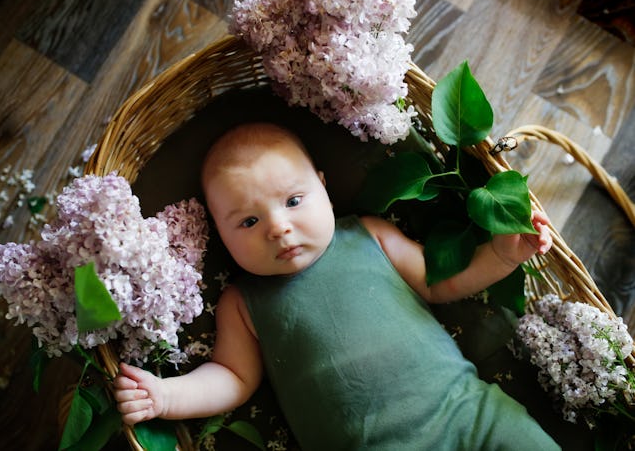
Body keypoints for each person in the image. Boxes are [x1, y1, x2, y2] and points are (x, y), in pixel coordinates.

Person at [113, 122, 558, 450]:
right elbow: (232, 378)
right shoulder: (243, 303)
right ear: (219, 232)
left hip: (471, 418)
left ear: (323, 188)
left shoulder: (369, 235)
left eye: (292, 201)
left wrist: (501, 254)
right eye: (249, 221)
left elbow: (439, 283)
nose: (279, 228)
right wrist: (167, 395)